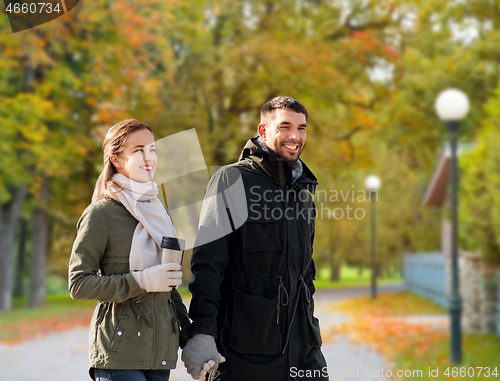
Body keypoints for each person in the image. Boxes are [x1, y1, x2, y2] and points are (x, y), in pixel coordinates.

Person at [182, 97, 328, 380]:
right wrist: (201, 332)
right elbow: (208, 263)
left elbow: (304, 273)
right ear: (263, 131)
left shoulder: (304, 195)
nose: (295, 137)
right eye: (284, 127)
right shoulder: (231, 180)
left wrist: (309, 325)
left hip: (305, 351)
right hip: (245, 352)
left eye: (302, 128)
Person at [68, 119, 191, 381]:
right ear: (116, 159)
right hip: (119, 350)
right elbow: (78, 284)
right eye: (138, 150)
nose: (149, 158)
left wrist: (190, 339)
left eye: (153, 150)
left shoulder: (160, 212)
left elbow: (166, 286)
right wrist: (141, 280)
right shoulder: (101, 214)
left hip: (160, 351)